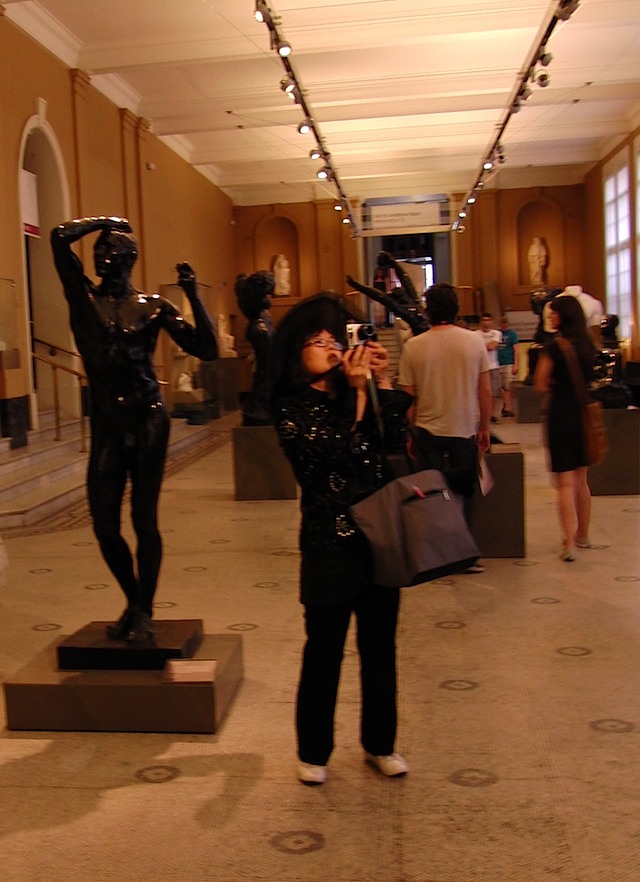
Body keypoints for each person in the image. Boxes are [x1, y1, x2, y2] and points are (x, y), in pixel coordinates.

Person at [50, 215, 218, 642]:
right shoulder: (83, 298)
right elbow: (57, 236)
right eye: (98, 250)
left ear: (129, 258)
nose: (100, 255)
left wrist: (194, 296)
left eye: (110, 249)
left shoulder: (153, 307)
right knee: (104, 524)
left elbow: (207, 349)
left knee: (144, 518)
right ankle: (133, 599)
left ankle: (144, 608)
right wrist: (106, 220)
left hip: (148, 418)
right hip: (107, 422)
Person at [271, 294, 412, 785]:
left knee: (380, 649)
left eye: (337, 340)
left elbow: (392, 440)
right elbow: (331, 455)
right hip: (329, 542)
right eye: (319, 341)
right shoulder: (289, 406)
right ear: (296, 351)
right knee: (324, 650)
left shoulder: (354, 390)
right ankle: (313, 752)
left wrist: (383, 383)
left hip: (379, 538)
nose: (332, 349)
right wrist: (356, 397)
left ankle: (381, 744)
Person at [397, 283, 491, 574]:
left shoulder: (414, 346)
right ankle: (465, 555)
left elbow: (407, 398)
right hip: (463, 427)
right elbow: (485, 389)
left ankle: (434, 555)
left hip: (427, 429)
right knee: (464, 492)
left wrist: (409, 432)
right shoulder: (474, 341)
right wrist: (484, 426)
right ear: (456, 309)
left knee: (430, 493)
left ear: (428, 311)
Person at [534, 295, 596, 562]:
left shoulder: (554, 346)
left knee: (565, 483)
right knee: (582, 480)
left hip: (561, 414)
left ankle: (568, 542)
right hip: (585, 415)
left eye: (554, 313)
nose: (550, 317)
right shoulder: (589, 345)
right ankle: (583, 533)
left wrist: (553, 384)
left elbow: (539, 383)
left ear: (563, 316)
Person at [235, 271, 275, 426]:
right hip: (265, 380)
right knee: (264, 377)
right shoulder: (259, 327)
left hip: (267, 377)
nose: (270, 298)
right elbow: (267, 363)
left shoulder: (264, 319)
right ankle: (258, 408)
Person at [476, 312, 502, 422]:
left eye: (488, 320)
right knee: (479, 391)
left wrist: (482, 346)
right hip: (480, 366)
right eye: (484, 320)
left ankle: (493, 414)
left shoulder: (496, 333)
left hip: (493, 365)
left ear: (491, 321)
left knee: (494, 391)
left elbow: (492, 346)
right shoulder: (475, 334)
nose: (486, 323)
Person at [498, 314, 519, 416]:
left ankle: (508, 407)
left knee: (508, 386)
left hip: (508, 362)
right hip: (498, 363)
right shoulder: (497, 334)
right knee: (500, 387)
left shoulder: (512, 334)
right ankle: (505, 404)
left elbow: (516, 350)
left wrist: (516, 364)